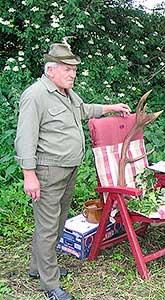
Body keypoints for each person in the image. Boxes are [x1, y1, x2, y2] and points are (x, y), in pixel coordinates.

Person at [14, 42, 132, 300]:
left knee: (55, 222)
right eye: (68, 69)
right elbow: (25, 138)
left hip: (68, 169)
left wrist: (111, 108)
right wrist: (29, 174)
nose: (73, 74)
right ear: (51, 70)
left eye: (74, 70)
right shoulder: (36, 95)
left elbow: (84, 110)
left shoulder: (66, 93)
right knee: (47, 226)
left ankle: (39, 268)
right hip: (47, 171)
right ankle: (50, 285)